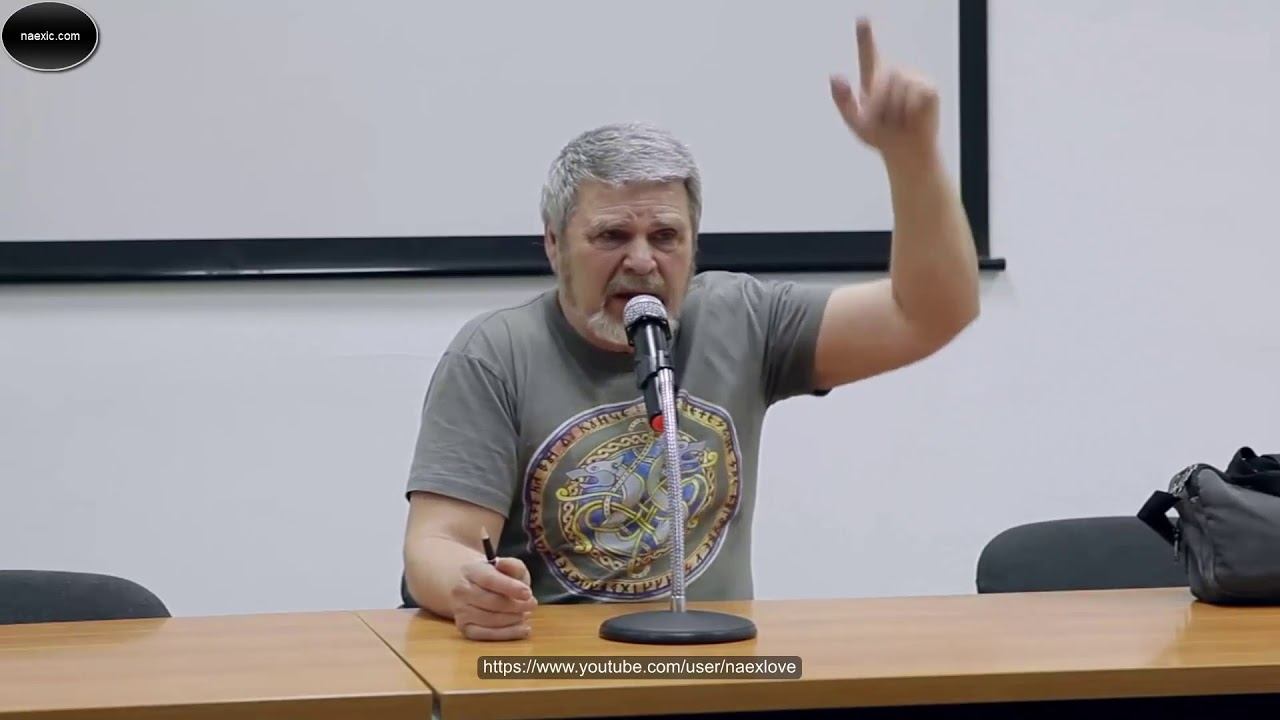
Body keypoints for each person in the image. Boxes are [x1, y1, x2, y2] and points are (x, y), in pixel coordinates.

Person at [402, 18, 980, 641]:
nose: (642, 261)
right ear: (553, 244)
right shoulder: (495, 355)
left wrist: (912, 156)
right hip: (560, 668)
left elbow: (929, 313)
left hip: (714, 663)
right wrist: (470, 585)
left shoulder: (740, 318)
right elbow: (437, 542)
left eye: (666, 236)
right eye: (612, 236)